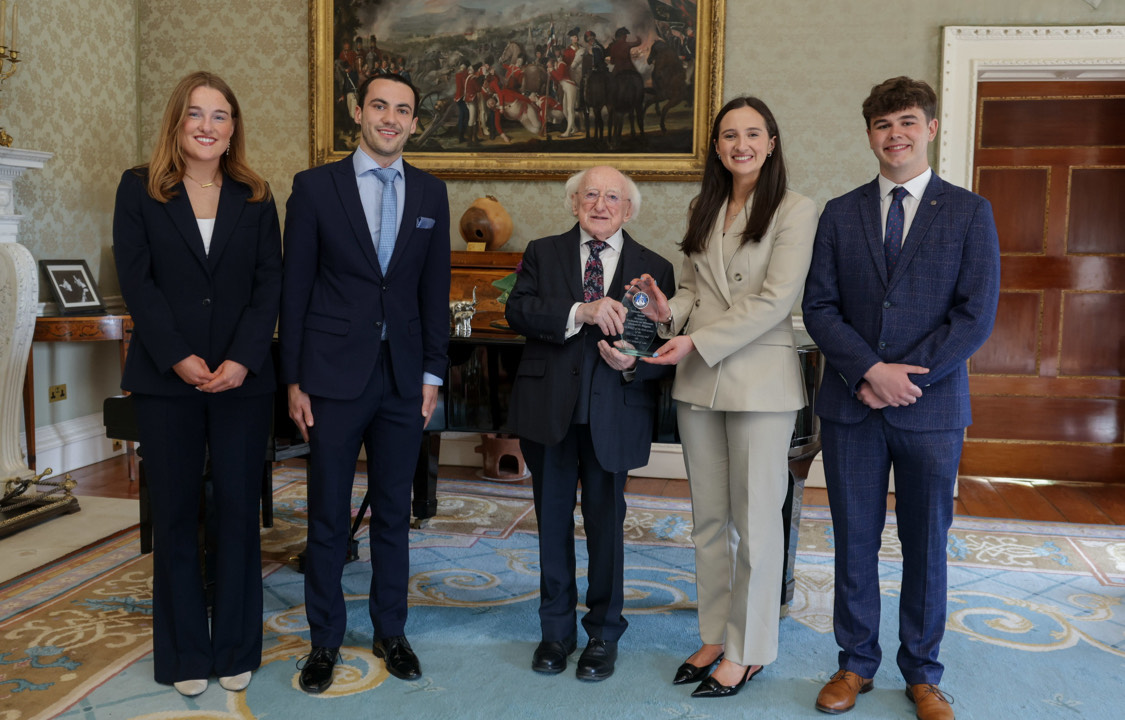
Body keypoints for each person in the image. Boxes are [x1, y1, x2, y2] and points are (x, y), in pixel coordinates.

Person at [801, 77, 1000, 720]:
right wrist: (868, 370)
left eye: (908, 122)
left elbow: (975, 317)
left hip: (932, 409)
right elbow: (821, 307)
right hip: (851, 405)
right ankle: (855, 664)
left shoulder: (970, 212)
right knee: (853, 538)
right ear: (869, 136)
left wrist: (906, 379)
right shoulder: (840, 211)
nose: (897, 135)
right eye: (885, 125)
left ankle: (923, 673)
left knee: (925, 542)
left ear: (931, 129)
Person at [631, 96, 818, 698]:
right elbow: (689, 290)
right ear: (716, 146)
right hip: (698, 386)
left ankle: (750, 648)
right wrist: (667, 313)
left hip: (760, 384)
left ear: (771, 142)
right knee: (708, 522)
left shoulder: (794, 209)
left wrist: (693, 340)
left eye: (753, 133)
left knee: (757, 524)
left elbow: (774, 303)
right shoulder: (702, 205)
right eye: (729, 134)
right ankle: (715, 633)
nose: (741, 144)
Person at [279, 72, 451, 694]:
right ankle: (324, 638)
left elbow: (435, 293)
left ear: (413, 122)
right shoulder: (314, 187)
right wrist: (294, 378)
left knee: (394, 514)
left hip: (405, 379)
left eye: (403, 110)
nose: (390, 118)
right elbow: (294, 288)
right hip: (328, 375)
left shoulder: (432, 193)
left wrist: (433, 373)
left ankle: (390, 630)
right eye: (380, 106)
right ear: (358, 112)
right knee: (327, 514)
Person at [112, 71, 282, 697]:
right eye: (196, 114)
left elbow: (271, 285)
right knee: (177, 516)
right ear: (176, 124)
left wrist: (242, 358)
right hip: (166, 379)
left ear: (234, 127)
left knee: (238, 514)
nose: (208, 126)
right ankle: (184, 653)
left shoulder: (257, 195)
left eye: (220, 115)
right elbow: (138, 281)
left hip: (243, 381)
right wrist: (178, 355)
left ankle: (236, 647)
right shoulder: (139, 189)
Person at [505, 166, 675, 682]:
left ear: (629, 209)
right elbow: (520, 311)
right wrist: (582, 309)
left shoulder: (654, 267)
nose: (600, 204)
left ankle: (603, 633)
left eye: (613, 198)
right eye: (590, 195)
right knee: (551, 523)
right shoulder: (543, 251)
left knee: (607, 526)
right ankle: (555, 633)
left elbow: (654, 345)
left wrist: (634, 363)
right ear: (574, 202)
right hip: (548, 410)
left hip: (614, 413)